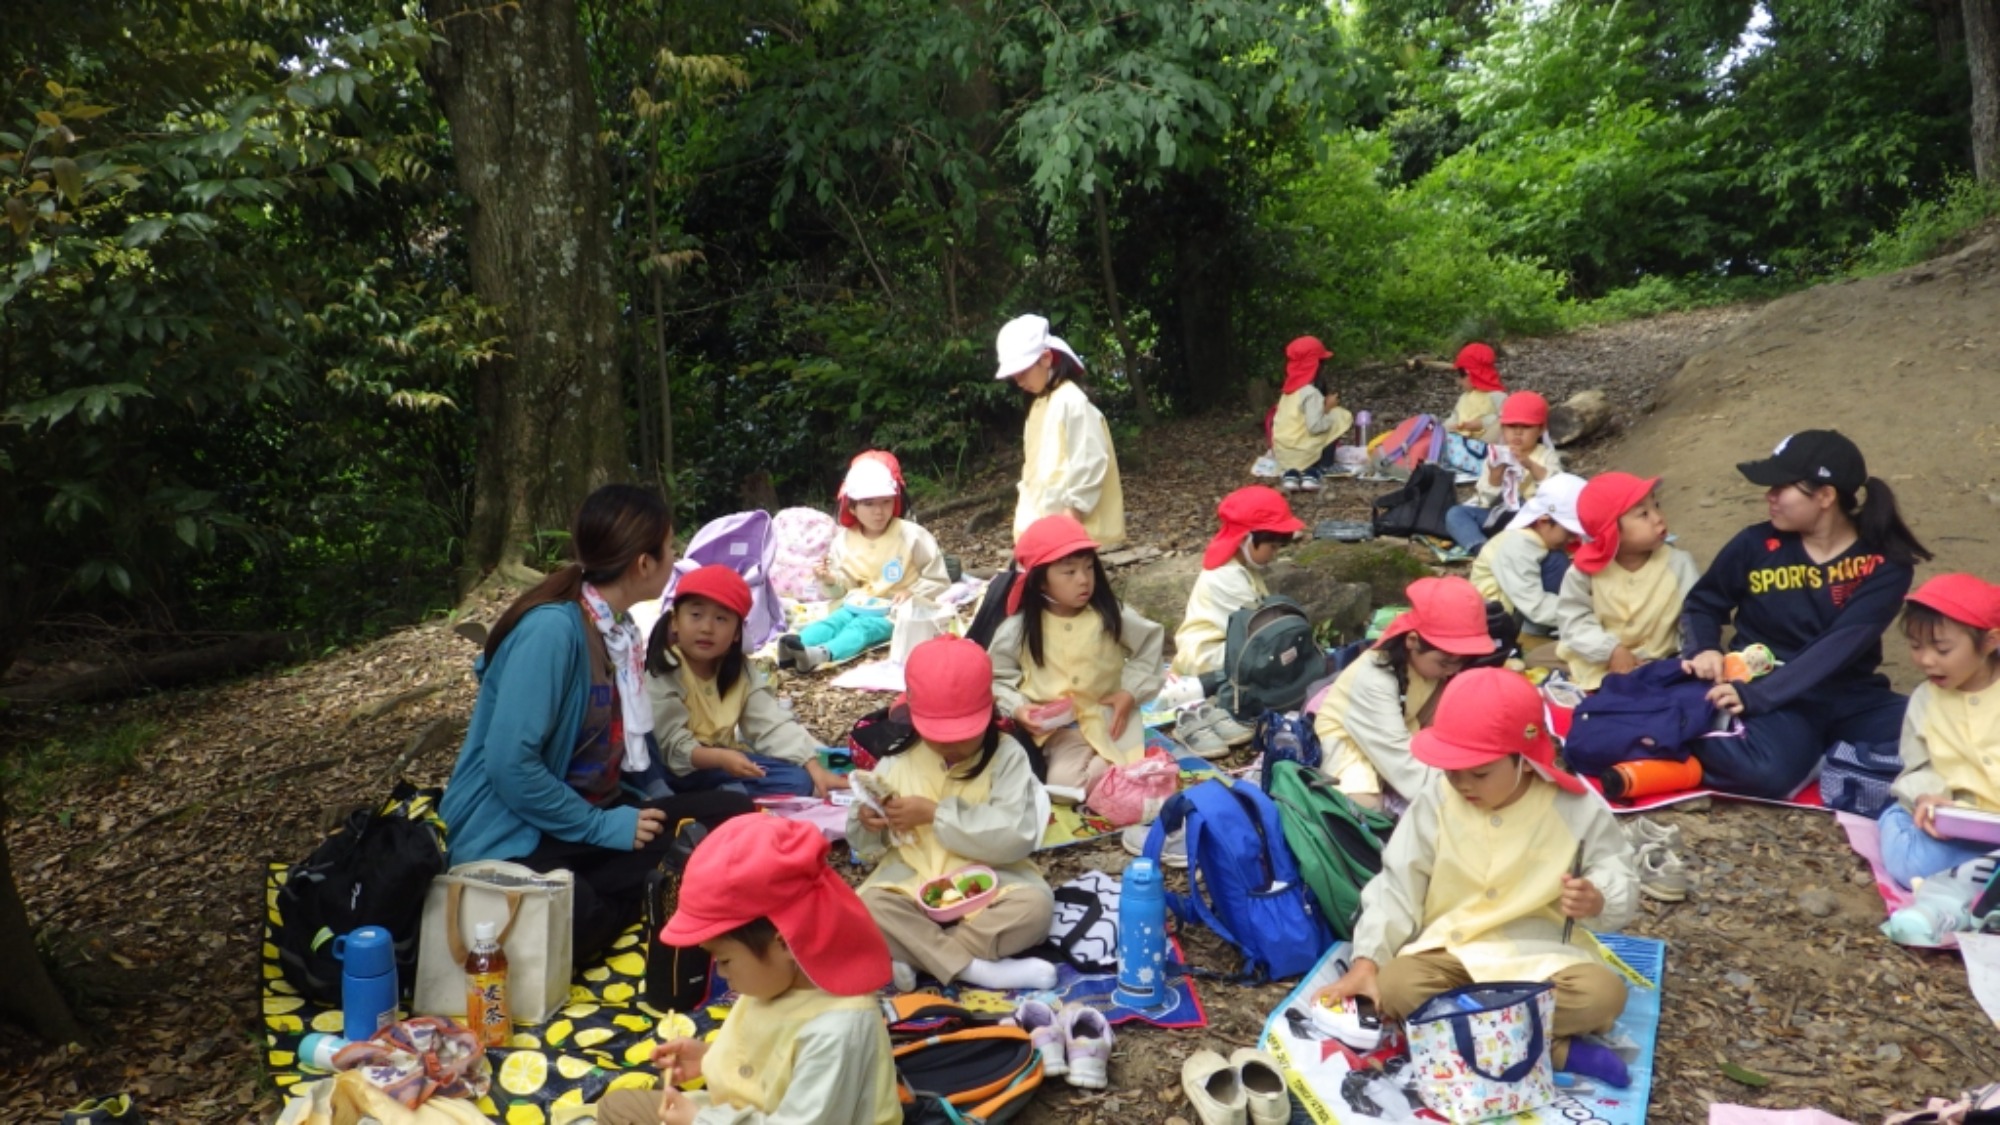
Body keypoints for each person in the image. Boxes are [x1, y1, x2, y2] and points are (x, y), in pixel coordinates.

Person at [438, 485, 753, 963]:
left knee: (733, 815)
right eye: (670, 548)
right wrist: (601, 826)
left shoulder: (618, 631)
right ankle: (617, 899)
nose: (675, 558)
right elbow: (510, 767)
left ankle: (632, 892)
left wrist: (633, 809)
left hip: (589, 818)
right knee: (582, 917)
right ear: (643, 564)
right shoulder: (552, 631)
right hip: (516, 837)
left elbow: (623, 751)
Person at [1316, 668, 1639, 1089]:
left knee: (1603, 995)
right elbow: (1398, 884)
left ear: (1524, 759)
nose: (1462, 783)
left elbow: (1616, 869)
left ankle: (1450, 1037)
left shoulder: (1575, 807)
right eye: (1453, 770)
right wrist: (1367, 958)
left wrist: (1599, 899)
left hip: (1539, 959)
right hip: (1452, 952)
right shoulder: (1438, 800)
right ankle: (1554, 1050)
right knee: (1396, 986)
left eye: (1480, 773)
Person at [592, 815, 902, 1125]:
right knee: (619, 1107)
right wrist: (710, 1058)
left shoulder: (838, 1030)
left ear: (784, 942)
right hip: (740, 1113)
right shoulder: (778, 977)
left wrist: (699, 1120)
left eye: (724, 960)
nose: (721, 973)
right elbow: (771, 1061)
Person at [1679, 430, 1931, 800]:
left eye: (1781, 487)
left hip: (1849, 696)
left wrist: (1760, 697)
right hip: (1771, 692)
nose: (1770, 496)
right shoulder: (1755, 545)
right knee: (1766, 774)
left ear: (1825, 496)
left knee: (1939, 732)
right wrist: (1704, 648)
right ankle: (1819, 755)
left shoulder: (1884, 563)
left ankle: (1818, 755)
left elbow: (1841, 644)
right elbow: (1704, 602)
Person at [849, 635, 1058, 993]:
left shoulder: (1007, 757)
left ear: (990, 711)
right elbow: (868, 846)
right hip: (912, 882)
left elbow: (1014, 836)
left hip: (991, 880)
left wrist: (936, 814)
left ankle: (920, 954)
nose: (951, 745)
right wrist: (868, 822)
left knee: (1035, 908)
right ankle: (979, 969)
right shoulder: (897, 760)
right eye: (938, 736)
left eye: (964, 734)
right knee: (866, 907)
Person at [990, 515, 1165, 803]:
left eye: (1088, 568)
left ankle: (1125, 765)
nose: (1084, 580)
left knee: (1119, 758)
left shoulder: (1110, 615)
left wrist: (1129, 693)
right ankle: (1125, 769)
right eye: (1069, 572)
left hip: (1112, 718)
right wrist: (1019, 708)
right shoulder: (1019, 629)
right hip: (1061, 731)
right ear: (1041, 582)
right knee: (1064, 791)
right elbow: (995, 676)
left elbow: (1149, 644)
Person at [647, 564, 847, 799]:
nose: (706, 628)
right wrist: (721, 758)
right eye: (696, 615)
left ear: (736, 633)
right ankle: (720, 799)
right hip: (673, 770)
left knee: (799, 780)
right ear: (674, 622)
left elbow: (770, 724)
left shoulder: (740, 670)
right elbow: (671, 744)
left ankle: (724, 798)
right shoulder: (664, 669)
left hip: (722, 764)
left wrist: (814, 768)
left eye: (721, 618)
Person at [1312, 576, 1495, 811]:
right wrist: (1464, 789)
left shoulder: (1430, 666)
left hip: (1403, 731)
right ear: (1412, 641)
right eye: (1444, 663)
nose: (1453, 670)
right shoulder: (1374, 679)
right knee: (1365, 807)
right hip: (1350, 741)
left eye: (1461, 663)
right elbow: (1403, 764)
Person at [1878, 575, 2000, 887]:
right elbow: (1918, 764)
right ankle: (1895, 820)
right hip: (1964, 823)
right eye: (1916, 647)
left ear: (1990, 642)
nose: (1926, 660)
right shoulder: (1926, 700)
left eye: (1942, 650)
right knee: (1914, 866)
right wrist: (1929, 798)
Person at [779, 451, 950, 672]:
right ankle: (792, 646)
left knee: (861, 629)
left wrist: (913, 593)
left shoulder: (912, 535)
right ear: (852, 507)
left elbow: (938, 577)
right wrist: (829, 579)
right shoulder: (843, 541)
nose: (878, 512)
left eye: (886, 502)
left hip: (895, 610)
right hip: (858, 603)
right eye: (869, 504)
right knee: (835, 621)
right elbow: (843, 587)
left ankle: (820, 654)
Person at [1554, 472, 1701, 691]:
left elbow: (1695, 615)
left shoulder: (1679, 564)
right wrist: (1610, 650)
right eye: (1643, 513)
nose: (1658, 517)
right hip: (1602, 665)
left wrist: (1694, 654)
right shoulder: (1583, 572)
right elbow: (1574, 619)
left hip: (1662, 660)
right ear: (1612, 531)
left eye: (1656, 505)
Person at [996, 313, 1125, 550]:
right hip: (1046, 526)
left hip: (1072, 527)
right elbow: (1033, 471)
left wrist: (1073, 513)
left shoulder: (1072, 401)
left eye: (1022, 372)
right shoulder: (1038, 404)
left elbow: (1090, 459)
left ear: (1045, 358)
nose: (1019, 381)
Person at [1469, 473, 1586, 640]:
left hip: (1517, 607)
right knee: (1556, 561)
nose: (1573, 538)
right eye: (1569, 532)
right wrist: (1583, 614)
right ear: (1544, 521)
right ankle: (1532, 636)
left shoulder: (1537, 540)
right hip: (1497, 619)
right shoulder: (1517, 544)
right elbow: (1534, 604)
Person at [1446, 391, 1564, 551]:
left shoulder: (1546, 455)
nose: (1518, 432)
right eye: (1511, 426)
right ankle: (1482, 549)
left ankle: (1507, 547)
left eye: (1526, 427)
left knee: (1531, 512)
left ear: (1541, 429)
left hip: (1531, 518)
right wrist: (1495, 477)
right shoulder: (1497, 454)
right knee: (1455, 514)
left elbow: (1556, 490)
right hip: (1499, 516)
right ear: (1502, 428)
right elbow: (1484, 501)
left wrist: (1530, 465)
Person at [1272, 335, 1353, 492]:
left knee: (1331, 416)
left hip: (1284, 454)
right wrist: (1329, 408)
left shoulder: (1288, 391)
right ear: (1316, 365)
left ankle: (1292, 474)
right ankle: (1322, 466)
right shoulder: (1310, 393)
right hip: (1303, 452)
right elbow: (1315, 426)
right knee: (1341, 415)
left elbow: (1301, 420)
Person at [1445, 342, 1506, 444]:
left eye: (1461, 374)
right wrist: (1450, 426)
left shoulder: (1498, 396)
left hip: (1486, 444)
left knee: (1502, 423)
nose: (1459, 381)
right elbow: (1454, 416)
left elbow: (1506, 420)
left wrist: (1482, 423)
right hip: (1460, 443)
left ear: (1474, 374)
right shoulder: (1464, 397)